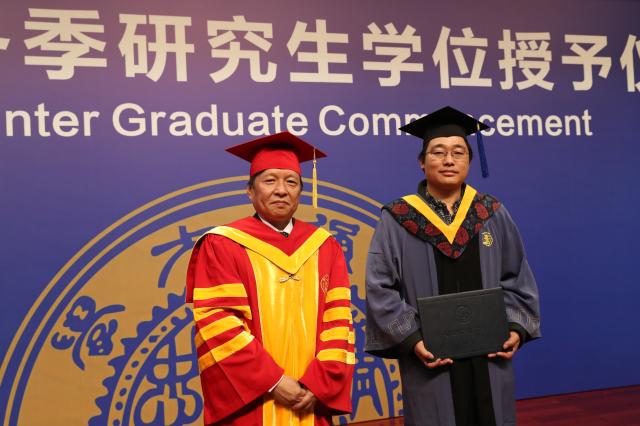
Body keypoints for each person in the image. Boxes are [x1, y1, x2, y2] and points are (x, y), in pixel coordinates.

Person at [364, 106, 541, 426]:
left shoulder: (491, 213)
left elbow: (516, 276)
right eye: (438, 152)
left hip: (489, 354)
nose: (449, 160)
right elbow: (380, 286)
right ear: (422, 161)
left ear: (469, 161)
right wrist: (413, 339)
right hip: (429, 355)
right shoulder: (398, 218)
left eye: (458, 152)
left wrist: (515, 328)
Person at [185, 132, 354, 425]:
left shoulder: (325, 246)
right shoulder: (223, 244)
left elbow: (338, 320)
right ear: (250, 191)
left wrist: (318, 382)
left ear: (301, 192)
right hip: (254, 403)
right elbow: (217, 321)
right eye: (270, 181)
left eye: (291, 182)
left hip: (310, 400)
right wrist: (274, 381)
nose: (281, 190)